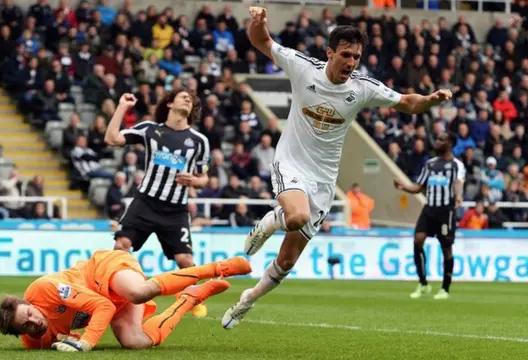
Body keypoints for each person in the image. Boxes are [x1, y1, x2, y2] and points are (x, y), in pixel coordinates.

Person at [222, 7, 454, 329]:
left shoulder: (361, 88)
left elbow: (406, 102)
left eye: (356, 57)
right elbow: (261, 42)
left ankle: (247, 299)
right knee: (297, 216)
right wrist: (258, 23)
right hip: (290, 162)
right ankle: (269, 222)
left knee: (287, 261)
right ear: (329, 52)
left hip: (323, 181)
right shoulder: (303, 68)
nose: (351, 63)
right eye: (346, 55)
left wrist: (430, 99)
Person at [0, 250, 251, 351]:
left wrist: (86, 342)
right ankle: (189, 298)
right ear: (20, 333)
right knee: (135, 342)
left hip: (101, 272)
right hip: (106, 302)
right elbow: (62, 331)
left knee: (138, 292)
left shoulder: (43, 290)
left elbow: (102, 306)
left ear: (28, 303)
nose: (34, 322)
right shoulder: (34, 341)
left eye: (29, 314)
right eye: (24, 326)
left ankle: (220, 267)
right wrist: (69, 338)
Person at [105, 89, 211, 314]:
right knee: (121, 246)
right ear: (170, 103)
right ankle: (113, 294)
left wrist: (194, 180)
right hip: (145, 203)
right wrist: (123, 107)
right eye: (183, 96)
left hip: (176, 210)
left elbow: (204, 178)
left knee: (185, 260)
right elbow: (111, 138)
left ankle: (192, 299)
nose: (187, 99)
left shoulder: (199, 141)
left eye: (191, 99)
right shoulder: (150, 130)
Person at [394, 133, 465, 300]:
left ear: (450, 143)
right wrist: (403, 187)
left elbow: (459, 182)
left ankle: (445, 288)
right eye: (437, 138)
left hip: (446, 210)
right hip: (429, 209)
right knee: (418, 240)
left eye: (441, 139)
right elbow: (419, 186)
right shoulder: (430, 164)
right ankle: (423, 283)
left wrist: (459, 196)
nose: (437, 141)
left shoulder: (456, 165)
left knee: (446, 248)